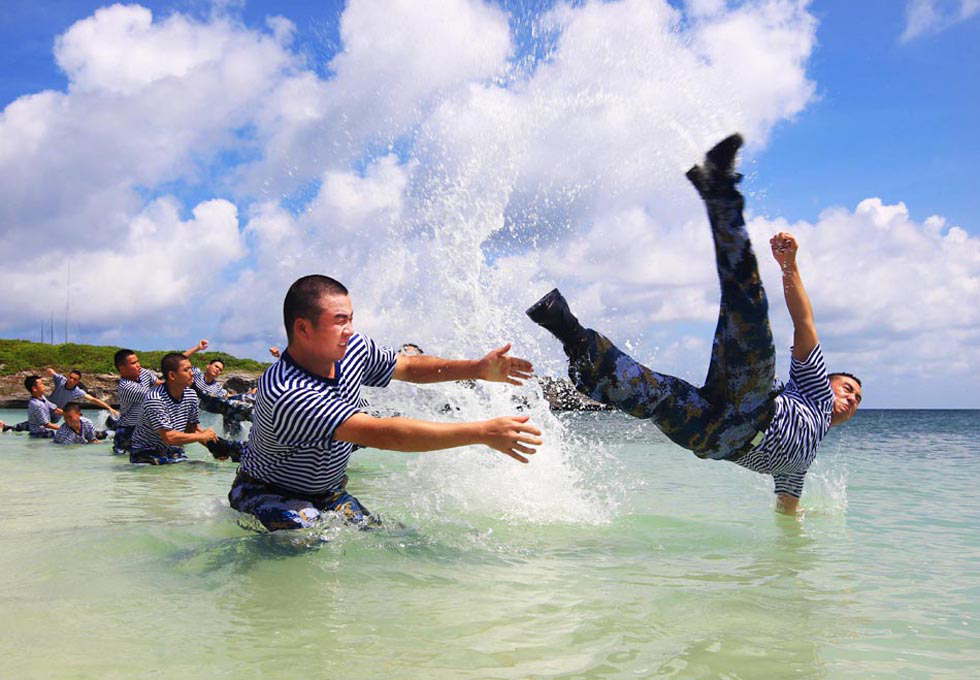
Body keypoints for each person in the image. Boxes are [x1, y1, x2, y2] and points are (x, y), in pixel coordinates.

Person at [527, 134, 863, 515]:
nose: (852, 398)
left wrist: (796, 553)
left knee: (645, 394)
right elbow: (804, 322)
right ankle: (720, 193)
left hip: (711, 438)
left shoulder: (801, 466)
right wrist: (790, 266)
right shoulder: (814, 396)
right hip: (752, 401)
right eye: (849, 388)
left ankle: (564, 327)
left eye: (857, 400)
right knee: (748, 313)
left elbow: (787, 510)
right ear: (829, 383)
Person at [229, 274, 542, 532]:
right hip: (267, 493)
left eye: (351, 319)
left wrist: (476, 368)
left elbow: (407, 367)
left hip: (328, 494)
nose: (349, 330)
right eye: (339, 321)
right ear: (303, 328)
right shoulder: (287, 391)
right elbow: (384, 434)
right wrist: (481, 433)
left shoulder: (354, 349)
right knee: (308, 533)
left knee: (387, 537)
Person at [128, 353, 221, 464]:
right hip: (145, 452)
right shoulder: (155, 399)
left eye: (191, 369)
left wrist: (214, 448)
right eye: (186, 370)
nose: (192, 374)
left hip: (173, 450)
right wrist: (202, 436)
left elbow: (192, 429)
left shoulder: (191, 395)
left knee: (205, 470)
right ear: (172, 375)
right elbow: (169, 437)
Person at [182, 340, 254, 437]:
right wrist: (198, 348)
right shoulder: (196, 374)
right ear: (208, 366)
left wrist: (249, 394)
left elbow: (230, 398)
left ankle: (235, 439)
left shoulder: (217, 388)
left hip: (198, 419)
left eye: (220, 370)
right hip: (182, 411)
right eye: (216, 366)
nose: (218, 370)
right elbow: (179, 361)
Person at [112, 348, 161, 454]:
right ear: (122, 368)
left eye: (138, 361)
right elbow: (158, 395)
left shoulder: (144, 373)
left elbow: (160, 384)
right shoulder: (126, 386)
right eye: (133, 363)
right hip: (128, 432)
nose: (138, 365)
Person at [44, 368, 119, 421]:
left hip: (57, 414)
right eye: (70, 377)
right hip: (46, 409)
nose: (71, 380)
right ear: (67, 376)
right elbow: (51, 371)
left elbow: (94, 400)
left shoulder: (77, 391)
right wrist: (49, 371)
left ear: (77, 382)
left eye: (75, 379)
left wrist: (109, 408)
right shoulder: (60, 380)